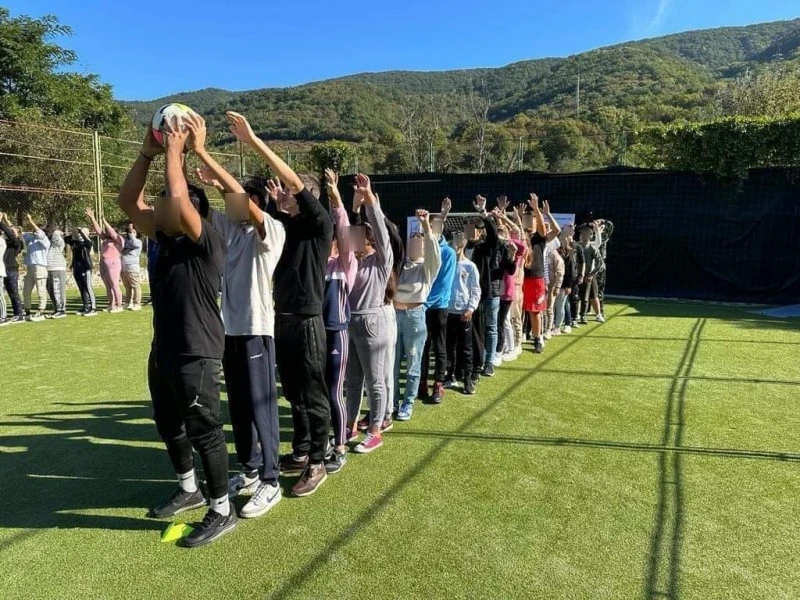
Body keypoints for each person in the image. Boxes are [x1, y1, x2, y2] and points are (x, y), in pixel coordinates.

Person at [117, 119, 235, 548]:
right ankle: (189, 488)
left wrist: (177, 149)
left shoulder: (208, 239)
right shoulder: (163, 238)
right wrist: (148, 153)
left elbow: (182, 201)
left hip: (197, 350)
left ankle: (222, 510)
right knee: (168, 423)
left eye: (169, 201)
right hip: (163, 348)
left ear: (194, 212)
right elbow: (127, 200)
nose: (161, 206)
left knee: (204, 430)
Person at [228, 111, 332, 498]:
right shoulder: (282, 226)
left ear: (304, 197)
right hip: (280, 321)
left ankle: (318, 461)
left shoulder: (319, 224)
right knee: (292, 393)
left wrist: (252, 140)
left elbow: (292, 182)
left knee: (313, 394)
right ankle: (303, 450)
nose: (282, 193)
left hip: (306, 323)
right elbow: (248, 211)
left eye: (288, 192)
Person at [188, 113, 287, 520]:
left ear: (254, 203)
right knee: (240, 408)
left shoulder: (272, 231)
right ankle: (249, 470)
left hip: (257, 332)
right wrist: (186, 164)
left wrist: (203, 151)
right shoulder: (231, 230)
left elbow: (239, 200)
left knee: (262, 407)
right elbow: (198, 209)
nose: (228, 207)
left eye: (235, 200)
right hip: (228, 333)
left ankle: (271, 479)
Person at [343, 173, 393, 453]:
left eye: (361, 236)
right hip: (350, 323)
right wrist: (353, 207)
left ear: (370, 239)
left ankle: (375, 429)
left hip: (373, 322)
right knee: (353, 382)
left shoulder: (381, 260)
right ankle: (349, 424)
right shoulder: (351, 262)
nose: (354, 239)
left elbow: (383, 233)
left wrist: (370, 200)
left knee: (375, 382)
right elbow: (344, 230)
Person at [318, 169, 356, 470]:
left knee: (334, 391)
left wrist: (336, 197)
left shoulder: (344, 263)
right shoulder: (315, 264)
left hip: (337, 333)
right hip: (314, 334)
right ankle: (321, 442)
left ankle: (341, 444)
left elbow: (343, 229)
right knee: (317, 392)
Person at [394, 209, 442, 422]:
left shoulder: (427, 268)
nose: (414, 246)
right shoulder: (400, 265)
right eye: (411, 243)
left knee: (413, 364)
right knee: (391, 364)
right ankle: (392, 402)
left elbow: (434, 252)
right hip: (394, 315)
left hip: (414, 317)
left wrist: (425, 226)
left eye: (418, 244)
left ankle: (407, 403)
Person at [419, 197, 457, 404]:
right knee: (423, 346)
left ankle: (439, 384)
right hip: (422, 306)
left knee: (439, 347)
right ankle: (422, 382)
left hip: (438, 306)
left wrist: (426, 299)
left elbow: (444, 283)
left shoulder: (449, 252)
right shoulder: (422, 248)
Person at [522, 195, 560, 353]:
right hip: (519, 277)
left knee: (535, 311)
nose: (530, 221)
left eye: (533, 219)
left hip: (536, 278)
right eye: (527, 218)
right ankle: (522, 335)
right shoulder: (520, 234)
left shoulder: (539, 238)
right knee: (520, 309)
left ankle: (538, 338)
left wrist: (540, 211)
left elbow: (556, 230)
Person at [446, 233, 481, 395]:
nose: (457, 245)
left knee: (466, 348)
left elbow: (475, 289)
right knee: (449, 347)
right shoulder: (447, 264)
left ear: (465, 244)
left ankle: (467, 379)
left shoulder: (470, 266)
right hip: (448, 312)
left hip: (464, 313)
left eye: (460, 242)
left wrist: (470, 308)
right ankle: (450, 375)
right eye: (455, 242)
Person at [492, 199, 523, 364]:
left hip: (508, 289)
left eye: (502, 231)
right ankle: (502, 347)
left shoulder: (514, 247)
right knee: (499, 321)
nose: (499, 233)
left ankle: (511, 348)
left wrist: (503, 218)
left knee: (504, 320)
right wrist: (499, 218)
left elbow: (517, 230)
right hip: (496, 288)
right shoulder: (497, 247)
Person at [86, 208, 123, 313]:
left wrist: (104, 221)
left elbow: (112, 232)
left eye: (108, 230)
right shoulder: (105, 239)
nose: (106, 231)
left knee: (114, 284)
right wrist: (92, 217)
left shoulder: (118, 239)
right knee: (107, 284)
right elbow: (98, 230)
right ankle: (111, 304)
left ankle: (118, 305)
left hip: (113, 264)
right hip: (103, 263)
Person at [22, 214, 50, 322]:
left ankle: (40, 311)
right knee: (26, 290)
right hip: (30, 267)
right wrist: (5, 220)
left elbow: (39, 232)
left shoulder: (44, 240)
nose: (33, 230)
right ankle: (27, 311)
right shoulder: (31, 238)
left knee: (41, 290)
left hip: (40, 267)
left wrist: (30, 220)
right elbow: (16, 232)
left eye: (34, 228)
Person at [65, 227, 97, 316]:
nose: (79, 235)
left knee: (88, 287)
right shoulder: (75, 243)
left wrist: (81, 232)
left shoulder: (87, 244)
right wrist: (74, 232)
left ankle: (93, 308)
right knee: (81, 288)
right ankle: (85, 306)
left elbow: (88, 241)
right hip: (77, 267)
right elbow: (67, 239)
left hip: (85, 267)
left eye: (81, 233)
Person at [577, 224, 605, 323]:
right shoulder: (576, 245)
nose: (584, 235)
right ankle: (577, 315)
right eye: (583, 233)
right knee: (577, 296)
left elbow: (599, 263)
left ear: (590, 235)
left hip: (589, 275)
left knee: (593, 296)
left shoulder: (593, 247)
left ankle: (598, 314)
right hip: (577, 275)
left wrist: (591, 274)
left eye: (587, 233)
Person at [0, 213, 24, 324]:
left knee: (14, 292)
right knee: (8, 293)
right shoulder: (5, 242)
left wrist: (1, 221)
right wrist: (5, 219)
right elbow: (8, 232)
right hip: (4, 269)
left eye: (13, 231)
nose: (10, 232)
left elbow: (10, 234)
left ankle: (19, 314)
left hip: (11, 270)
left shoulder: (17, 242)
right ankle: (14, 313)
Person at [592, 219, 614, 316]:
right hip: (590, 264)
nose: (597, 223)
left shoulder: (604, 235)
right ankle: (585, 310)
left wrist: (602, 222)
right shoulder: (590, 235)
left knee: (599, 288)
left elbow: (610, 225)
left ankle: (600, 310)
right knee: (588, 288)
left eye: (600, 222)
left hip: (600, 264)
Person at [119, 223, 143, 310]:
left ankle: (137, 303)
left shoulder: (138, 242)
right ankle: (128, 302)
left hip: (132, 267)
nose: (131, 233)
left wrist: (132, 234)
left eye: (133, 231)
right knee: (127, 286)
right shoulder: (126, 241)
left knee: (135, 285)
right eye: (129, 232)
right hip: (124, 267)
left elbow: (134, 243)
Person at [45, 226, 67, 319]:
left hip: (57, 268)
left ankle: (61, 310)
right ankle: (56, 309)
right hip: (49, 268)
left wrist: (56, 232)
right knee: (51, 290)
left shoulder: (58, 243)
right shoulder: (48, 244)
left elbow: (58, 238)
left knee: (58, 290)